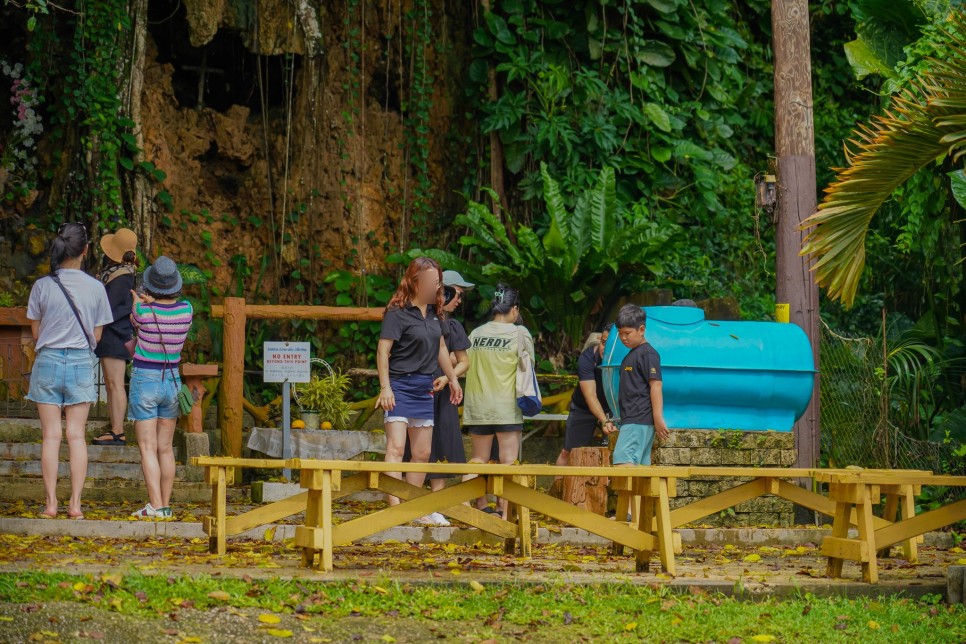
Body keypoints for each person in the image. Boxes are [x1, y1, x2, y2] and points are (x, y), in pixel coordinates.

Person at [26, 222, 113, 519]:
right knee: (76, 436)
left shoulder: (42, 286)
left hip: (48, 362)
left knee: (51, 436)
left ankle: (50, 504)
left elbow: (36, 332)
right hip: (79, 363)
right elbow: (98, 336)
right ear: (86, 250)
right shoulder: (96, 288)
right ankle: (75, 505)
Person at [376, 257, 463, 526]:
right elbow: (383, 351)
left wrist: (453, 379)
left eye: (437, 282)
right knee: (397, 447)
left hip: (424, 388)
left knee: (422, 453)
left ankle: (413, 506)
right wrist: (386, 387)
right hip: (400, 386)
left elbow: (440, 351)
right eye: (430, 281)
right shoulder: (397, 313)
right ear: (415, 282)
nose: (435, 286)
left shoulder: (435, 315)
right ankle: (395, 507)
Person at [129, 256, 194, 519]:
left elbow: (136, 320)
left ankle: (154, 506)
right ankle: (164, 505)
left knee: (147, 446)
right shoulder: (187, 310)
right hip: (172, 382)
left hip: (145, 380)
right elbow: (168, 310)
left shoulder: (142, 311)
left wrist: (139, 301)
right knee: (165, 448)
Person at [462, 284, 535, 514]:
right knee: (508, 462)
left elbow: (465, 366)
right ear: (514, 308)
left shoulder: (476, 334)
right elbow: (529, 366)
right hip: (506, 407)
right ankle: (505, 514)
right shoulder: (519, 333)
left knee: (477, 460)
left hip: (477, 406)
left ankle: (467, 508)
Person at [92, 228, 139, 446]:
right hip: (116, 334)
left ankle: (118, 431)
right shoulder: (122, 272)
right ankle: (115, 428)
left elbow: (107, 307)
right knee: (112, 384)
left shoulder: (122, 276)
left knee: (115, 383)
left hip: (116, 335)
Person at [606, 304, 668, 466]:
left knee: (623, 462)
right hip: (632, 419)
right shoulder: (632, 355)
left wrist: (658, 417)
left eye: (627, 333)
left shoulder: (648, 354)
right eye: (620, 334)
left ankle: (628, 493)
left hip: (638, 418)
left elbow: (656, 385)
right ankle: (639, 493)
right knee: (639, 466)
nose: (623, 338)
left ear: (641, 330)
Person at [554, 328, 613, 471]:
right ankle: (557, 490)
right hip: (584, 407)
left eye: (610, 345)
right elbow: (590, 395)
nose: (604, 348)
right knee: (568, 452)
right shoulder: (587, 359)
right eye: (603, 343)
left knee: (617, 453)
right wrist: (604, 420)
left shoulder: (629, 359)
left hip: (613, 408)